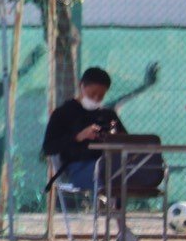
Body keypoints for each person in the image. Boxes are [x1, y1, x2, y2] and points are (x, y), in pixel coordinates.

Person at [42, 66, 127, 194]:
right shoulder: (63, 113)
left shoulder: (108, 115)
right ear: (81, 86)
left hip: (108, 164)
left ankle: (115, 207)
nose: (96, 98)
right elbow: (48, 148)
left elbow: (127, 140)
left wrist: (111, 137)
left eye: (101, 95)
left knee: (129, 171)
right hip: (77, 167)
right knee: (107, 175)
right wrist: (78, 137)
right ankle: (110, 206)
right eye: (93, 94)